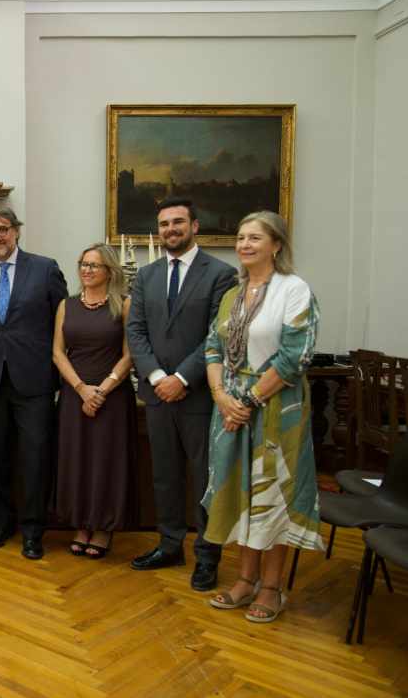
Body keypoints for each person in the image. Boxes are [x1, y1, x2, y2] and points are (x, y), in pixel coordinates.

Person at [203, 211, 322, 623]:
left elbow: (295, 357)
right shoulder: (232, 294)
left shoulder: (294, 290)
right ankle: (244, 579)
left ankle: (272, 588)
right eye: (240, 237)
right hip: (230, 409)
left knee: (272, 495)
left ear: (277, 245)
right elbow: (212, 349)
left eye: (255, 237)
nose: (245, 244)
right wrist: (221, 396)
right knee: (239, 492)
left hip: (274, 412)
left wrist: (247, 402)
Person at [127, 197, 237, 592]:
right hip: (157, 395)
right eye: (164, 224)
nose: (170, 229)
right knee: (165, 476)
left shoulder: (222, 275)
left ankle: (208, 556)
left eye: (177, 222)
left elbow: (217, 334)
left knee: (204, 477)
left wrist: (182, 378)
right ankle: (170, 544)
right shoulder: (147, 275)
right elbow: (135, 331)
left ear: (194, 225)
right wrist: (157, 376)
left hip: (198, 397)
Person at [0, 207, 66, 560]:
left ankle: (34, 531)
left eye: (2, 230)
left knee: (35, 458)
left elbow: (61, 325)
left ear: (16, 231)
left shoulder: (45, 269)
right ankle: (0, 523)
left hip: (33, 380)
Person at [52, 244, 137, 559]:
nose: (87, 270)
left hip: (111, 397)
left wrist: (101, 390)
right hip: (75, 395)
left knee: (106, 461)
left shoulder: (124, 305)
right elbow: (58, 352)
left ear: (109, 271)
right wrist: (80, 388)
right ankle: (81, 524)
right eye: (83, 264)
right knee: (78, 460)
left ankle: (103, 527)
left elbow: (130, 354)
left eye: (94, 266)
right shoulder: (66, 305)